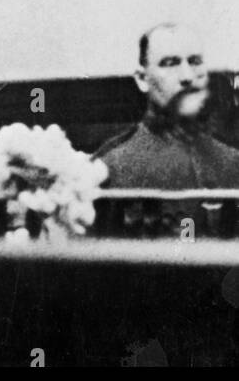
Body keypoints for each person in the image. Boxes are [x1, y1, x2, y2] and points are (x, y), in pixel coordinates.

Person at [94, 22, 239, 236]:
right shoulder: (110, 167)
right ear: (142, 79)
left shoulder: (231, 160)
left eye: (195, 62)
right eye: (170, 63)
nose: (187, 76)